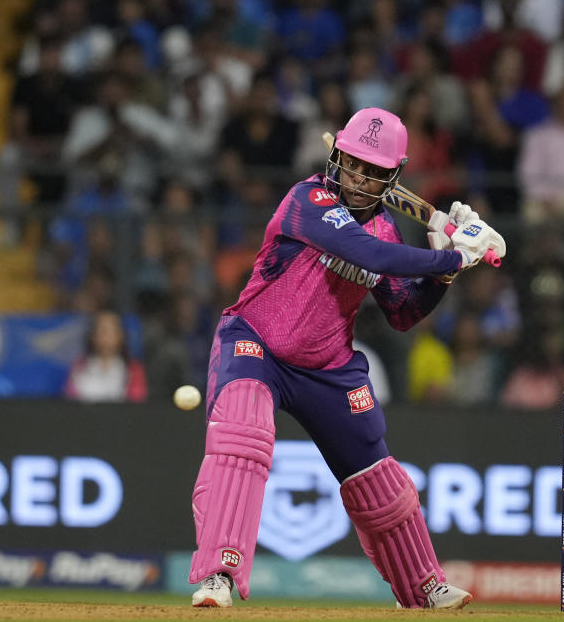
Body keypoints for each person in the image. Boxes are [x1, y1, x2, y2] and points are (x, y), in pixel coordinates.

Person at [187, 108, 505, 610]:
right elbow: (369, 256)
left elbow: (403, 312)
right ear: (336, 157)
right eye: (354, 165)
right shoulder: (306, 199)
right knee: (242, 437)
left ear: (393, 177)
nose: (361, 179)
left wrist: (441, 274)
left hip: (328, 365)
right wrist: (455, 257)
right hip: (256, 342)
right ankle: (219, 576)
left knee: (378, 480)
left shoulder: (384, 231)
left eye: (375, 172)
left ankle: (423, 586)